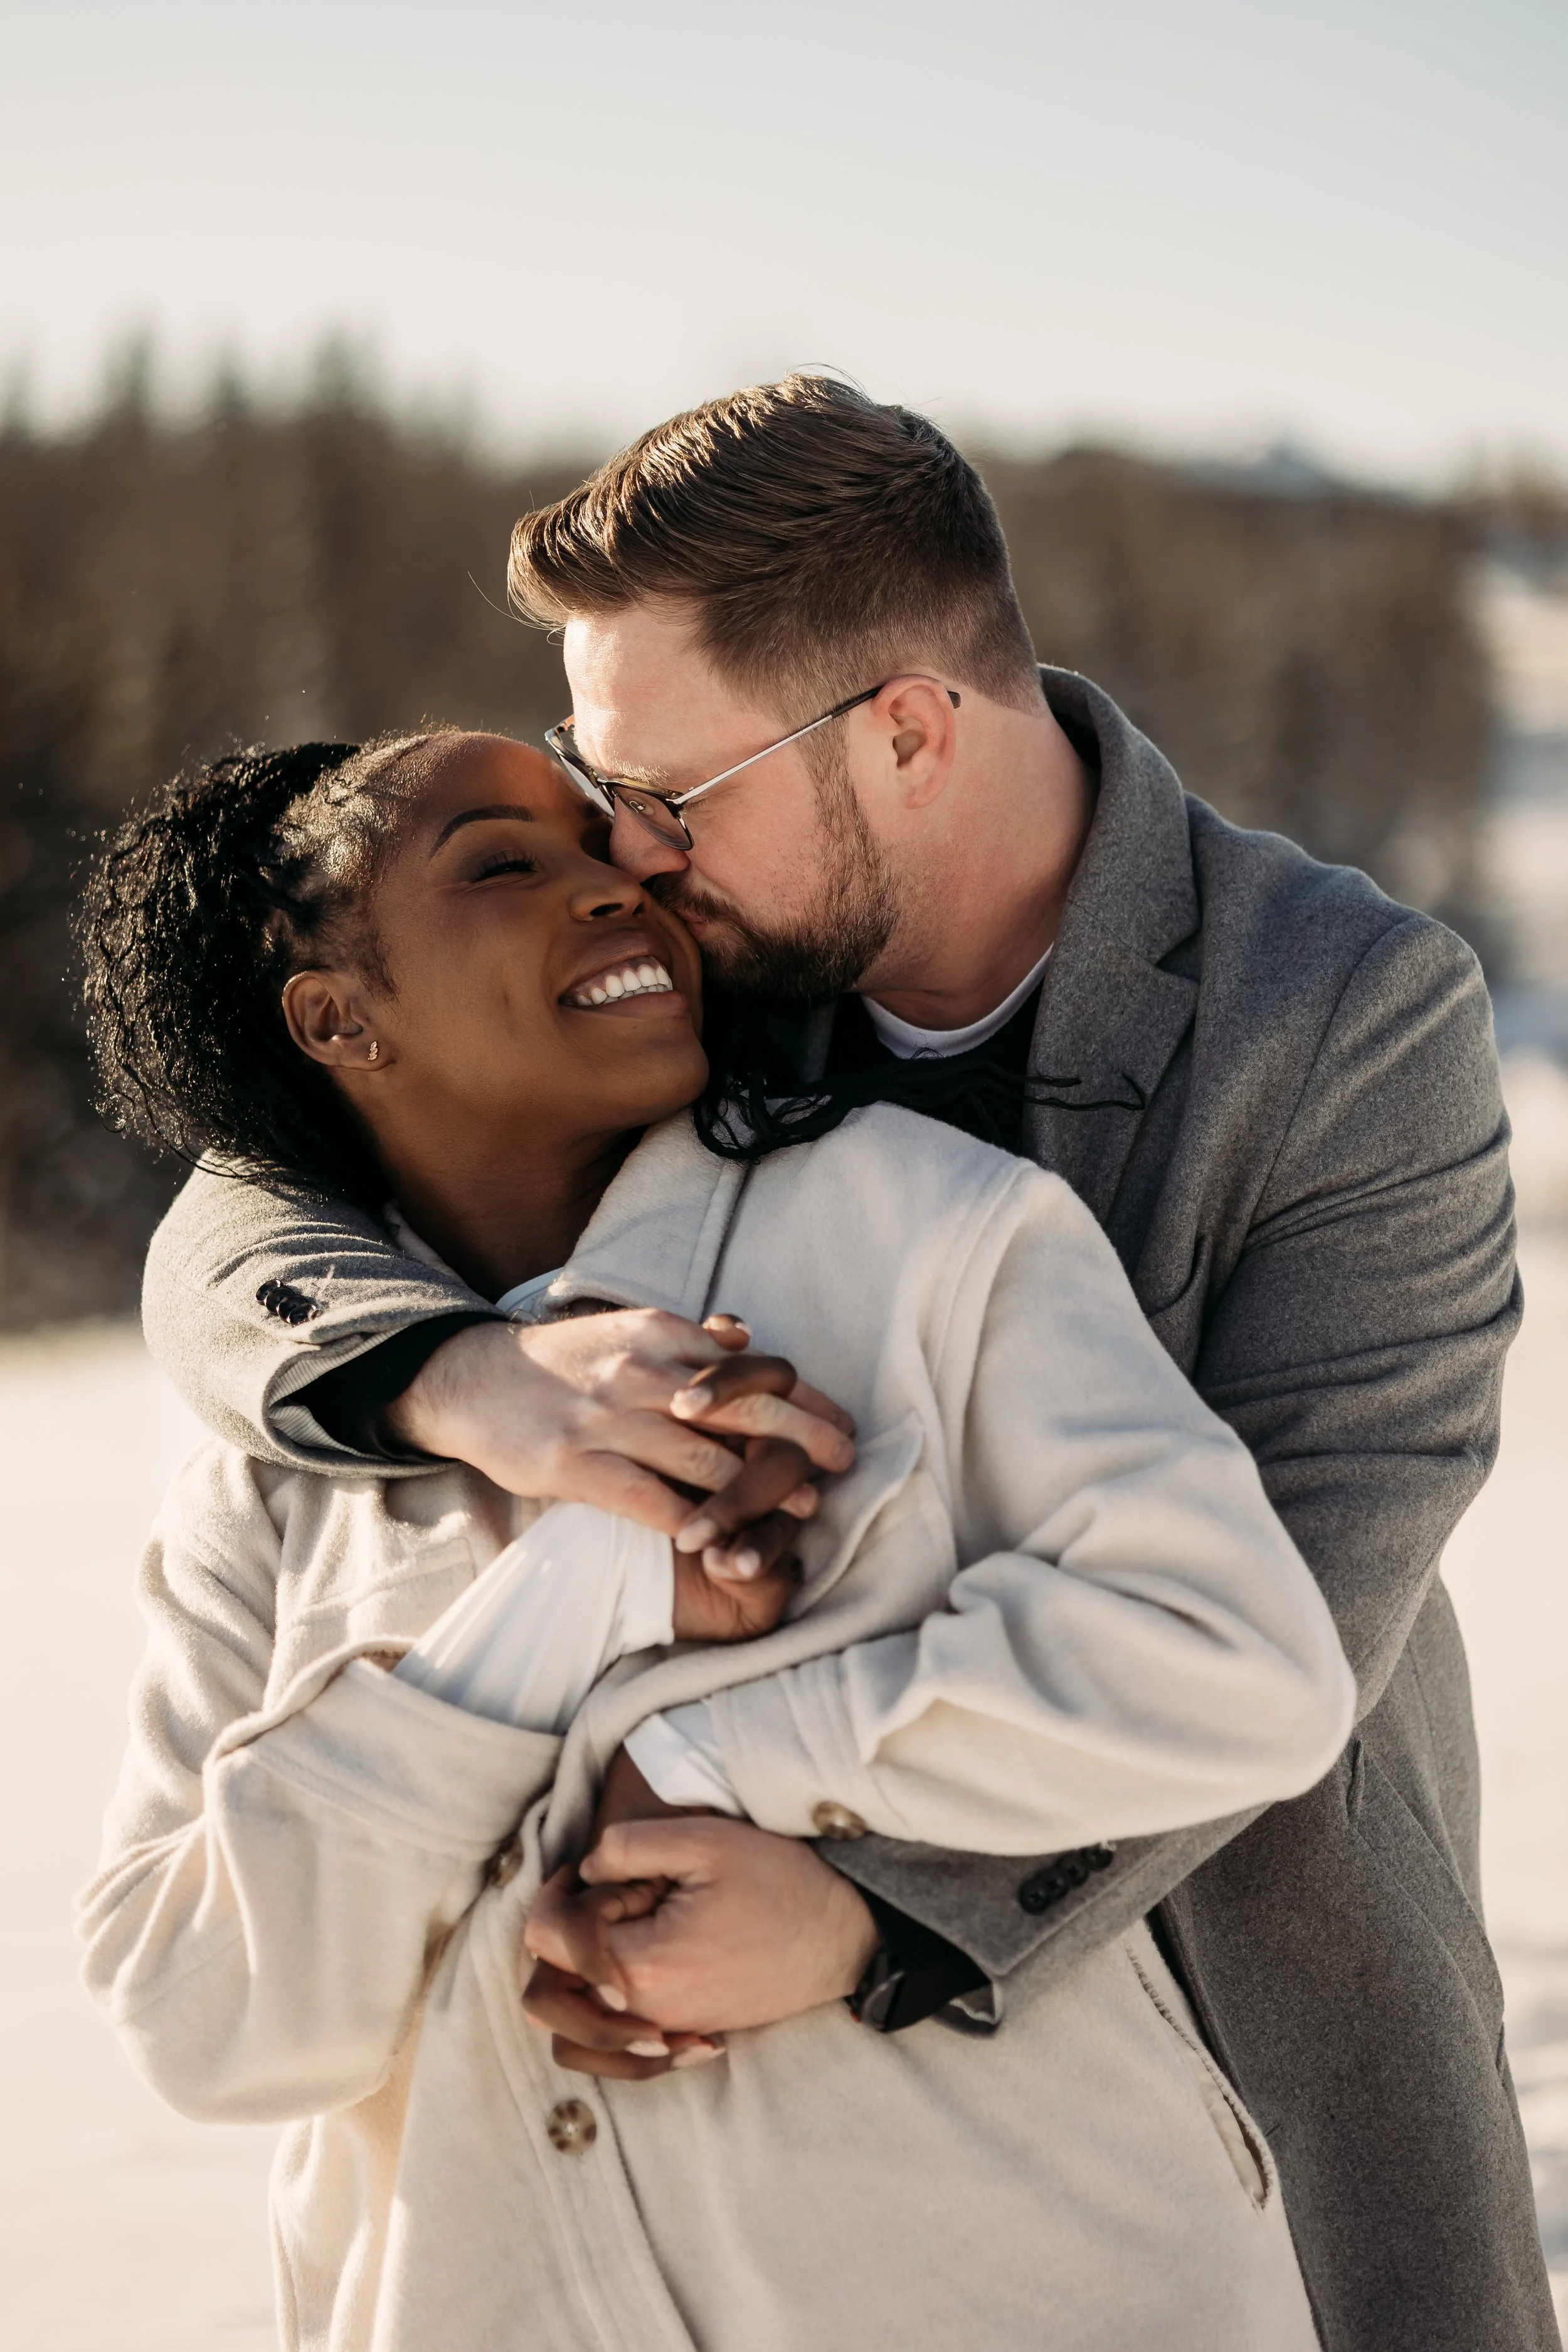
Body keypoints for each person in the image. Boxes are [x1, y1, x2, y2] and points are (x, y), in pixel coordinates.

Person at [137, 378, 1555, 2351]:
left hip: (1246, 1965)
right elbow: (244, 1207)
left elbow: (1297, 1610)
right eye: (594, 777)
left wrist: (877, 1902)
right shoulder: (702, 940)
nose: (626, 847)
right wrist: (465, 1381)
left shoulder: (1337, 1019)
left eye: (669, 788)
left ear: (903, 729)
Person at [78, 728, 1352, 2351]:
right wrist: (581, 1591)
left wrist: (715, 1760)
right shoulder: (268, 1476)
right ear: (337, 1019)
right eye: (503, 862)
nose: (619, 883)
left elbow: (1241, 1665)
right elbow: (201, 2025)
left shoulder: (924, 1229)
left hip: (1031, 2282)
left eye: (601, 839)